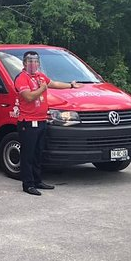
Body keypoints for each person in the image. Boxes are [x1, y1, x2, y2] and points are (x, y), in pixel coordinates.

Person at [15, 50, 82, 196]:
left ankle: (38, 180)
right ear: (24, 63)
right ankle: (28, 184)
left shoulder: (40, 76)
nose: (33, 64)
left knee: (39, 153)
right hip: (28, 122)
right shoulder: (22, 78)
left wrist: (70, 85)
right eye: (30, 61)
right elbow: (28, 97)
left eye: (35, 61)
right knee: (28, 155)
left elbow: (54, 83)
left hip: (41, 120)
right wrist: (42, 88)